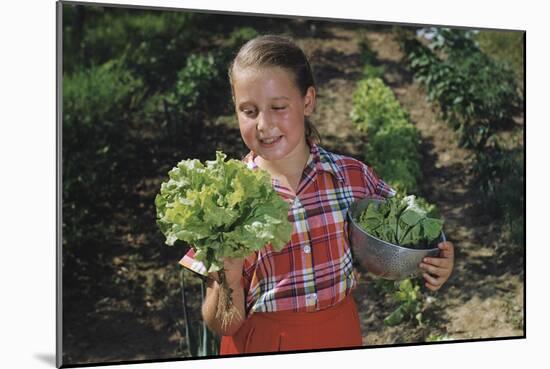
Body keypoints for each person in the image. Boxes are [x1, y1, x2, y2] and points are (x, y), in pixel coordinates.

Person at [179, 34, 454, 354]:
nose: (264, 125)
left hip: (340, 335)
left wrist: (437, 258)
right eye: (249, 111)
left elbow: (414, 234)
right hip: (262, 344)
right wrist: (230, 269)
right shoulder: (224, 199)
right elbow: (223, 324)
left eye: (278, 107)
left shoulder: (353, 177)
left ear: (308, 101)